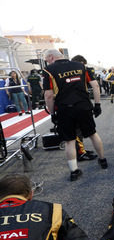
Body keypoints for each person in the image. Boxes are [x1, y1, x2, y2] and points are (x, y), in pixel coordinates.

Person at [43, 50, 107, 181]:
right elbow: (95, 85)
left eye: (47, 59)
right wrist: (97, 104)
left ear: (51, 57)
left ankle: (74, 171)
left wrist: (52, 113)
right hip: (83, 105)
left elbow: (48, 95)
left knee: (69, 141)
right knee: (92, 134)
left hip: (64, 108)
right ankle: (103, 160)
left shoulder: (49, 70)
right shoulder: (81, 66)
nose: (47, 62)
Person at [71, 55, 99, 162]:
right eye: (83, 64)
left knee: (79, 131)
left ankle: (81, 150)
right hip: (78, 105)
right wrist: (97, 105)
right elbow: (95, 86)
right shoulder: (81, 70)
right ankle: (80, 153)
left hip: (70, 104)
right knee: (78, 131)